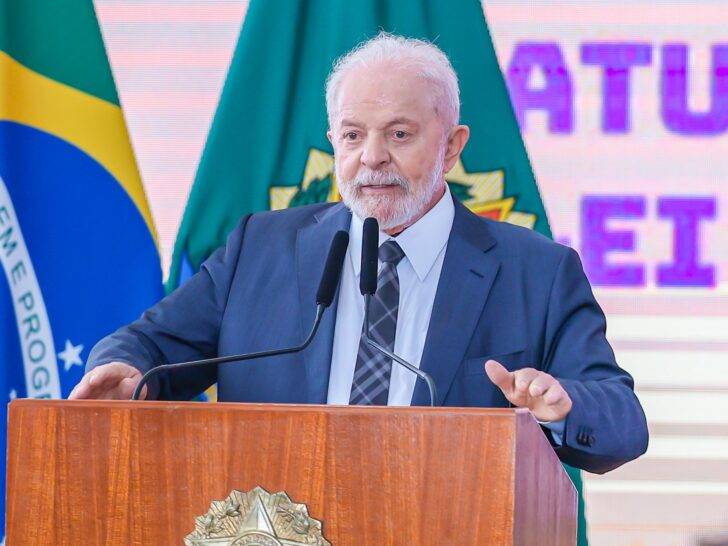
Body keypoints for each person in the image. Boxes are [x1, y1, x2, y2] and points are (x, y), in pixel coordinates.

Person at [70, 33, 648, 474]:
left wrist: (564, 404)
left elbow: (622, 422)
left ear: (451, 147)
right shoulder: (260, 249)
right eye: (352, 135)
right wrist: (124, 370)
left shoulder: (538, 272)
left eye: (399, 134)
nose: (371, 158)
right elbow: (149, 344)